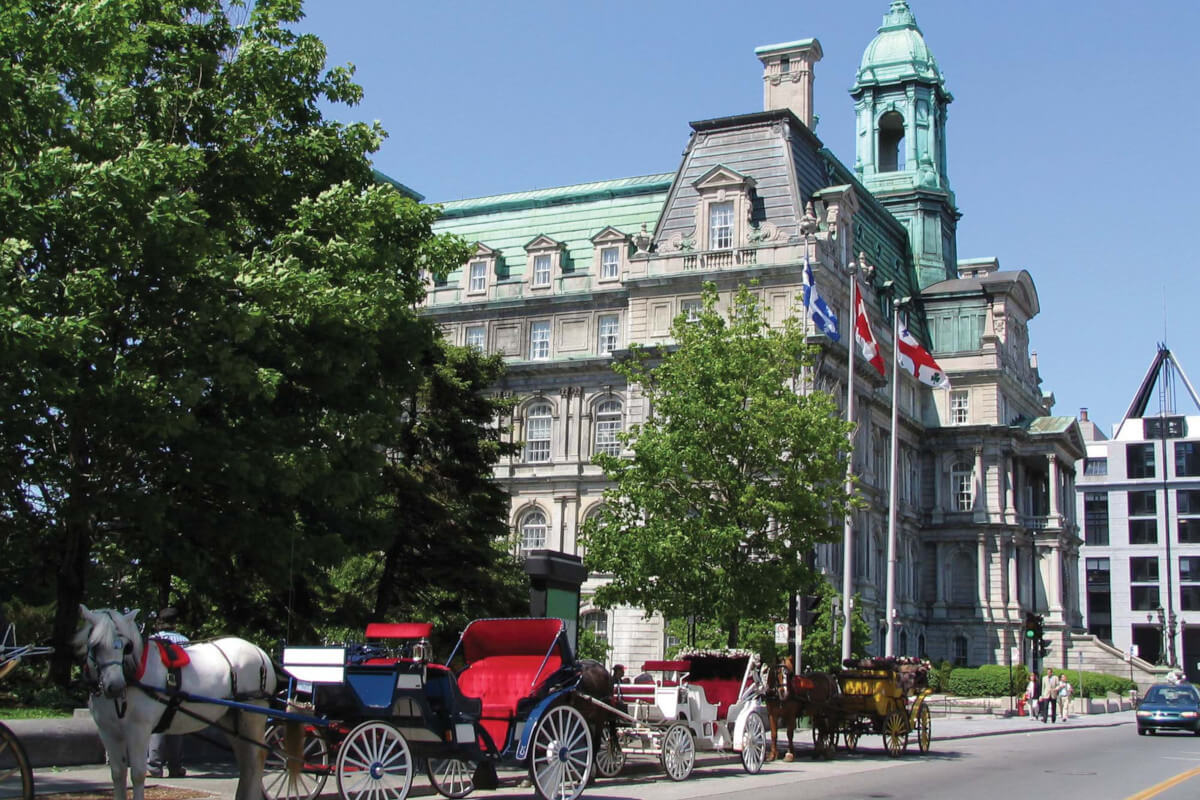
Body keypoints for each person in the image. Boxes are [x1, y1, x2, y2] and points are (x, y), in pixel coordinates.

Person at [147, 608, 189, 779]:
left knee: (157, 725)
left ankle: (154, 766)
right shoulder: (184, 641)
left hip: (158, 687)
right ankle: (175, 766)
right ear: (175, 622)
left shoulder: (153, 640)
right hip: (180, 687)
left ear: (159, 622)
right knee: (176, 725)